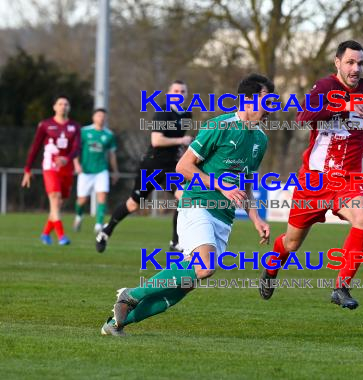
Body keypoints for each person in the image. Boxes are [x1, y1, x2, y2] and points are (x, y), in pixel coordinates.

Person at [101, 73, 273, 336]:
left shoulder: (261, 139)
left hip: (223, 219)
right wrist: (220, 185)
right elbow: (183, 166)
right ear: (247, 100)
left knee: (184, 285)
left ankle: (116, 323)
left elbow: (246, 184)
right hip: (197, 204)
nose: (270, 105)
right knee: (204, 267)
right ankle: (131, 294)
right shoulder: (221, 126)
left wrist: (256, 218)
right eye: (265, 99)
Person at [259, 40, 363, 310]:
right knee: (291, 243)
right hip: (314, 181)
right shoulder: (325, 87)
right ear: (337, 62)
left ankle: (341, 287)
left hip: (348, 179)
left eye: (360, 63)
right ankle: (270, 268)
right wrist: (344, 107)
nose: (355, 68)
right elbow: (303, 117)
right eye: (350, 62)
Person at [96, 80, 192, 253]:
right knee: (134, 204)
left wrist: (186, 151)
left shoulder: (186, 115)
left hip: (171, 167)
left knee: (185, 197)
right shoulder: (163, 113)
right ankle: (105, 231)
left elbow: (181, 143)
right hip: (152, 165)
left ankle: (175, 242)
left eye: (182, 91)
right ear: (169, 93)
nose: (179, 94)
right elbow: (156, 140)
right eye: (176, 91)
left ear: (186, 95)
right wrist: (181, 141)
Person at [21, 95, 81, 245]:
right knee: (54, 196)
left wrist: (67, 158)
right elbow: (35, 147)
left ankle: (46, 233)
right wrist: (28, 169)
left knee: (59, 202)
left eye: (66, 104)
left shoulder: (75, 126)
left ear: (69, 107)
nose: (63, 106)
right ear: (54, 107)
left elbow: (77, 148)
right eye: (60, 104)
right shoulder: (45, 125)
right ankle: (62, 236)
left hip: (66, 167)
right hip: (50, 166)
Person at [73, 108, 119, 233]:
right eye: (99, 116)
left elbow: (112, 155)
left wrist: (115, 171)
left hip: (101, 170)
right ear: (94, 118)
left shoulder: (109, 134)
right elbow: (76, 150)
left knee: (102, 197)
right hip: (85, 170)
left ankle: (98, 225)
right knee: (82, 200)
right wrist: (76, 164)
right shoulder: (84, 131)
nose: (101, 118)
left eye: (103, 116)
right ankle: (79, 216)